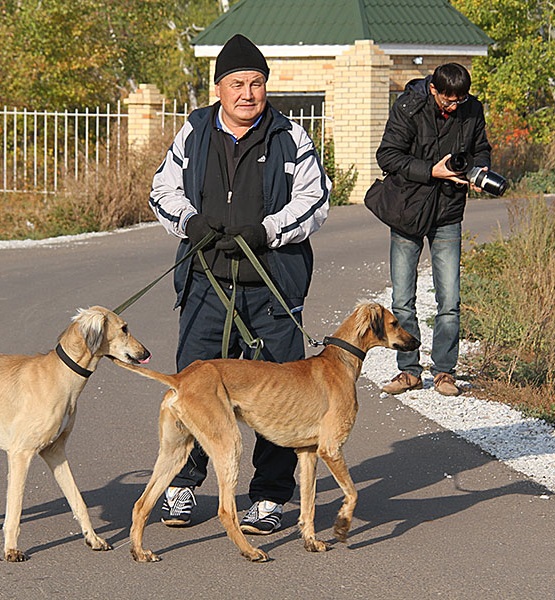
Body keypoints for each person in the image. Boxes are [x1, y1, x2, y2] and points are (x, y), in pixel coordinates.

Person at [148, 33, 332, 534]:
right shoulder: (194, 130)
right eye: (237, 83)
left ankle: (269, 497)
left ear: (266, 87)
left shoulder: (290, 136)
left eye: (256, 83)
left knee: (281, 394)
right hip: (206, 285)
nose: (247, 93)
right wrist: (191, 223)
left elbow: (316, 201)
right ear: (219, 88)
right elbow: (160, 189)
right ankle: (183, 487)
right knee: (193, 389)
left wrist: (267, 230)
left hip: (272, 288)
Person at [375, 63, 491, 397]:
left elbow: (481, 147)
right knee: (403, 299)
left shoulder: (473, 108)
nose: (454, 106)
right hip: (408, 210)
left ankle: (444, 372)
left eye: (460, 100)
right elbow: (387, 156)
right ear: (433, 90)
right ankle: (408, 372)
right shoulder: (408, 107)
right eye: (448, 101)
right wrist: (432, 171)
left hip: (448, 212)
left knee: (450, 300)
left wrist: (479, 170)